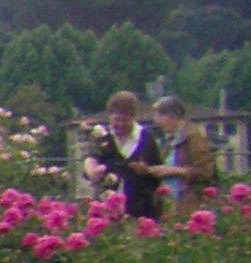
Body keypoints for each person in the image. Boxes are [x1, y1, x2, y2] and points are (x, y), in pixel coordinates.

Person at [87, 91, 165, 221]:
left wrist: (147, 170)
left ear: (133, 118)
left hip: (142, 210)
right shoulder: (103, 138)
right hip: (109, 210)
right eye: (116, 120)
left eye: (125, 120)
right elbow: (91, 158)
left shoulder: (146, 138)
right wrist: (92, 170)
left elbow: (158, 172)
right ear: (109, 117)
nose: (121, 124)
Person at [156, 95, 218, 214]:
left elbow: (204, 172)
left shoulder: (194, 137)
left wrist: (173, 171)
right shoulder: (170, 141)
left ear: (172, 116)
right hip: (172, 205)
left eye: (159, 117)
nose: (157, 122)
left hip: (191, 205)